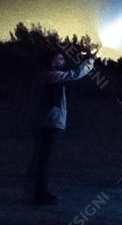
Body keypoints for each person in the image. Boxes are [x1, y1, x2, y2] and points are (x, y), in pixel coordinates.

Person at [29, 50, 95, 206]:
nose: (62, 61)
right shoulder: (49, 76)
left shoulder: (47, 75)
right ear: (51, 60)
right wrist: (89, 62)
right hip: (50, 122)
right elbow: (74, 74)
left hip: (49, 122)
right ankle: (40, 194)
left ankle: (39, 192)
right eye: (59, 58)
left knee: (43, 159)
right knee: (44, 159)